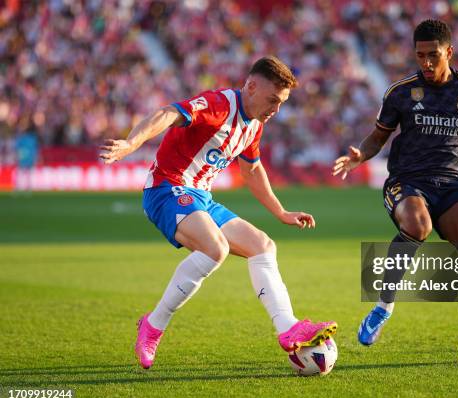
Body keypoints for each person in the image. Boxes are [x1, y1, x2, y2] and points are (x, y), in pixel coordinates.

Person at [101, 56, 337, 369]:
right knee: (215, 248)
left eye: (281, 103)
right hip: (166, 189)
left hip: (200, 198)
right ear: (251, 87)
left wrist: (281, 212)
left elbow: (252, 171)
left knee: (263, 246)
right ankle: (153, 325)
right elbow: (168, 113)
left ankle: (288, 327)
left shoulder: (253, 125)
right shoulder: (219, 105)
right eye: (272, 100)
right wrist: (132, 143)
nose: (275, 110)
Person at [333, 20, 458, 362]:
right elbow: (378, 136)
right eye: (420, 55)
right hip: (407, 182)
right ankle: (383, 307)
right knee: (417, 225)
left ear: (449, 52)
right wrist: (361, 155)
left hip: (453, 185)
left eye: (433, 55)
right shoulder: (400, 92)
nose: (425, 62)